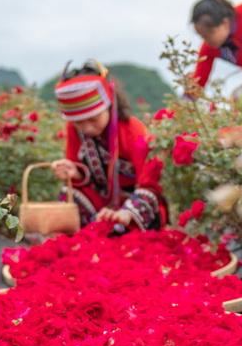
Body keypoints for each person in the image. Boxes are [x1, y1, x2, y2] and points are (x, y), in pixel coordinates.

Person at [51, 61, 167, 231]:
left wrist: (127, 213)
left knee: (123, 226)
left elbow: (150, 182)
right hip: (101, 204)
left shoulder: (132, 129)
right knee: (68, 196)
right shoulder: (74, 130)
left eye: (93, 119)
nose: (88, 128)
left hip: (134, 204)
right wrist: (74, 173)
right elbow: (82, 176)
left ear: (109, 104)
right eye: (79, 123)